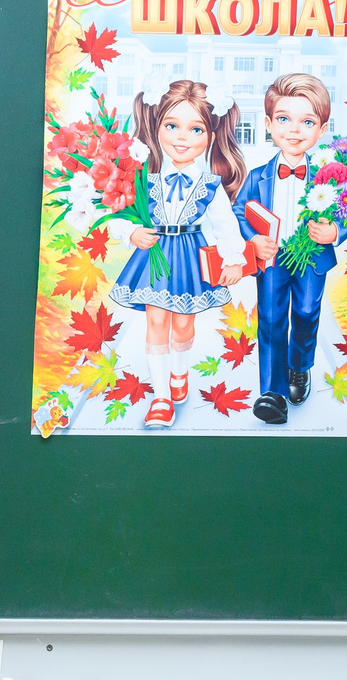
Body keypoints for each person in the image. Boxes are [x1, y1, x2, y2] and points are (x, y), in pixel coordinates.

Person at [104, 78, 247, 429]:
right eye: (172, 126)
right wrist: (132, 233)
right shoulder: (142, 177)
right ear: (157, 127)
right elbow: (118, 212)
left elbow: (226, 224)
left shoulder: (209, 185)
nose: (182, 137)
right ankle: (162, 397)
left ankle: (180, 374)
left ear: (211, 137)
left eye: (195, 129)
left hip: (190, 255)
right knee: (156, 321)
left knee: (183, 324)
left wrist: (233, 259)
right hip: (154, 254)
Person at [235, 73, 341, 424]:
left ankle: (299, 367)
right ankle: (273, 391)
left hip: (310, 256)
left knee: (308, 312)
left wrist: (335, 231)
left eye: (307, 121)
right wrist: (252, 238)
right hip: (272, 258)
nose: (294, 130)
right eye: (283, 119)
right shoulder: (258, 175)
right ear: (268, 124)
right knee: (270, 319)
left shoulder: (329, 177)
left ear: (322, 129)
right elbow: (240, 210)